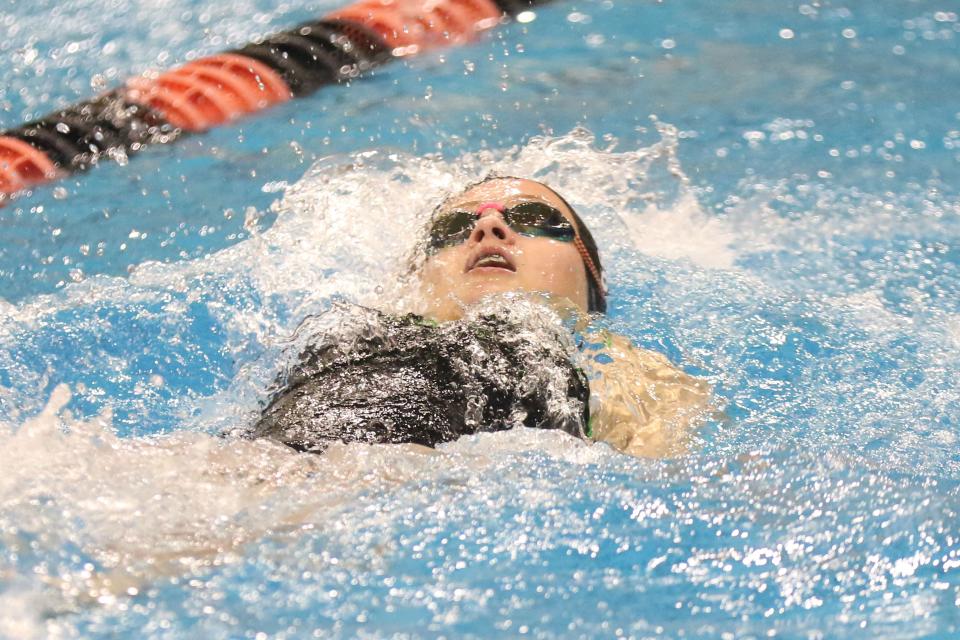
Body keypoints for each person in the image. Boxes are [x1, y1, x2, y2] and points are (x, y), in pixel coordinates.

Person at [248, 177, 710, 457]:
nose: (487, 227)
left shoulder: (625, 366)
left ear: (594, 284)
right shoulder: (352, 329)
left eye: (534, 218)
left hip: (399, 483)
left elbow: (651, 477)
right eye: (450, 230)